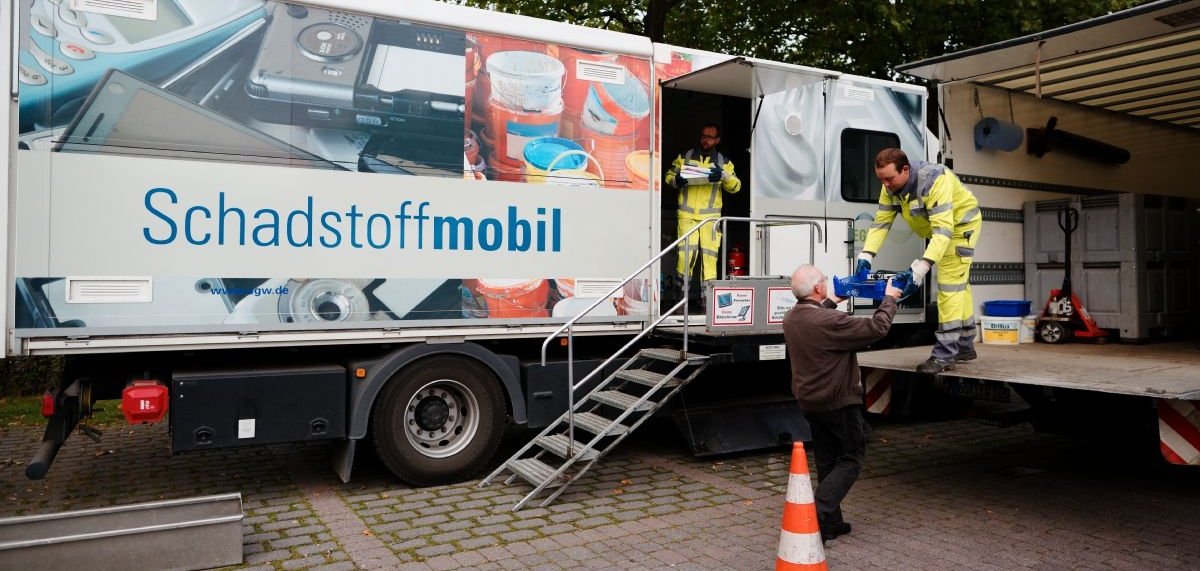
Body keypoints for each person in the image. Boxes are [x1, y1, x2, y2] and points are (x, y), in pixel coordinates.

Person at [783, 264, 901, 542]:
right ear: (816, 288)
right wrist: (890, 298)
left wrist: (832, 301)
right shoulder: (829, 322)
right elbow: (877, 328)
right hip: (837, 401)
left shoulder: (791, 318)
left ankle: (830, 524)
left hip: (809, 401)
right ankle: (816, 511)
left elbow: (816, 314)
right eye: (824, 280)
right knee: (852, 457)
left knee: (827, 460)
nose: (826, 282)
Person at [857, 148, 982, 374]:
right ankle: (965, 345)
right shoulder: (891, 186)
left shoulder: (935, 180)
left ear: (905, 170)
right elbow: (881, 222)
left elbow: (944, 231)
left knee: (949, 287)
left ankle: (945, 354)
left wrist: (920, 267)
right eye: (881, 179)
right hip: (941, 231)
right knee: (959, 285)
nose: (885, 185)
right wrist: (866, 255)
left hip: (960, 228)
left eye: (889, 179)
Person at [664, 123, 741, 304]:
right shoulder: (686, 157)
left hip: (710, 219)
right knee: (684, 257)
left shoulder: (724, 162)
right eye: (703, 136)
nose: (705, 139)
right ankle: (679, 302)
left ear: (717, 140)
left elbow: (736, 186)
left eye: (709, 137)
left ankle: (708, 305)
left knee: (709, 260)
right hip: (687, 216)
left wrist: (724, 176)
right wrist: (677, 180)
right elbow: (668, 176)